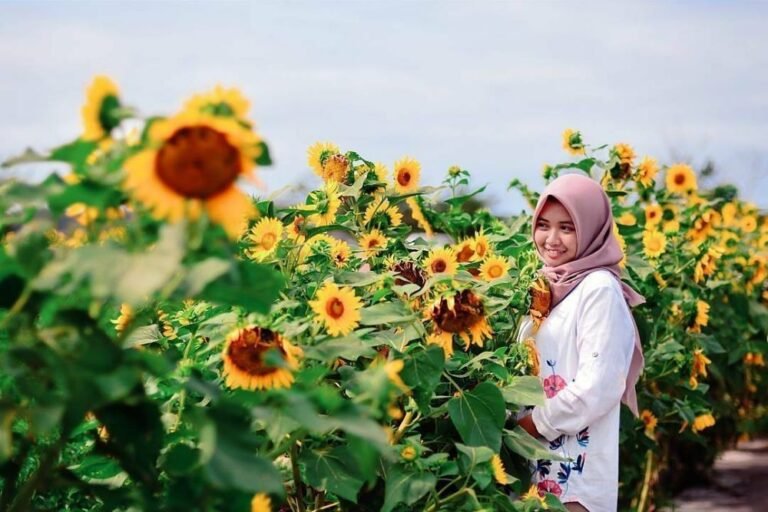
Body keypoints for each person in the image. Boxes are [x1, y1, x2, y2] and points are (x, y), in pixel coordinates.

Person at [516, 173, 645, 512]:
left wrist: (532, 426)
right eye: (543, 225)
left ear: (591, 229)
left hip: (573, 478)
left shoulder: (598, 288)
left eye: (567, 227)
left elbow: (599, 385)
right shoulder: (547, 285)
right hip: (529, 469)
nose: (551, 239)